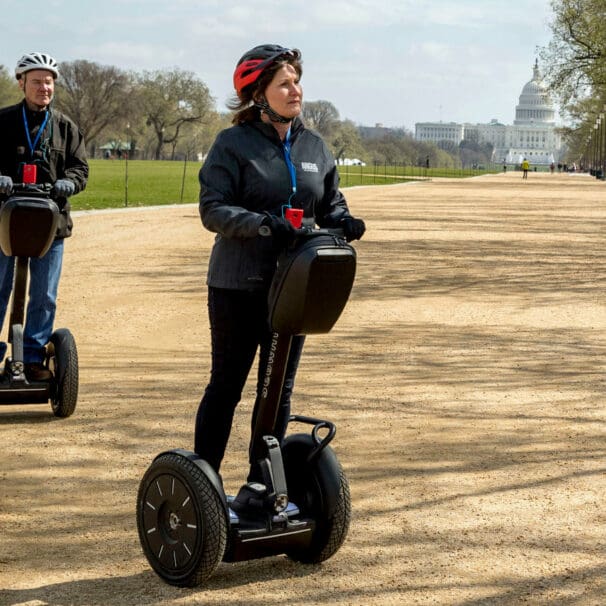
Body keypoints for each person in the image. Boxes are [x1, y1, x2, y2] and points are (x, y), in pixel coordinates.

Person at [195, 44, 366, 477]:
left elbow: (330, 202)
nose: (296, 90)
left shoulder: (315, 146)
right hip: (238, 285)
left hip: (295, 287)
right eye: (284, 83)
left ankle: (262, 484)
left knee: (277, 389)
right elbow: (213, 209)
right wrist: (265, 225)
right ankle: (206, 485)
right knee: (227, 386)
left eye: (297, 81)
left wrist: (344, 221)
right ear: (259, 94)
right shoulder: (233, 144)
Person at [0, 52, 88, 380]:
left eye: (48, 81)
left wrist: (70, 182)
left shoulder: (65, 127)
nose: (44, 87)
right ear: (21, 83)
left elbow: (80, 167)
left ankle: (34, 359)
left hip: (51, 224)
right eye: (36, 81)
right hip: (5, 222)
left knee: (44, 295)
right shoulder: (4, 121)